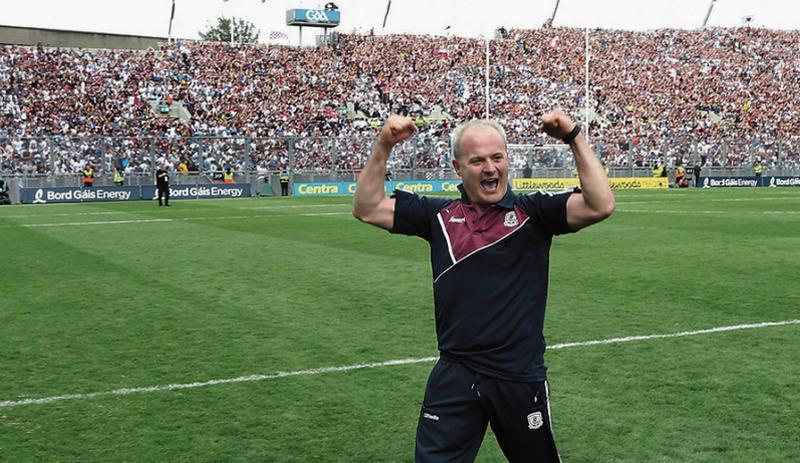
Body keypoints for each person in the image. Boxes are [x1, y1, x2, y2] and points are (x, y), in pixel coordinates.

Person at [353, 110, 615, 462]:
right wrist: (384, 144)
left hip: (518, 376)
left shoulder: (533, 212)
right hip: (454, 375)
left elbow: (601, 204)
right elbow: (367, 208)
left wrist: (574, 138)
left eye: (497, 157)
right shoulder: (438, 217)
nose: (490, 168)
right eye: (477, 161)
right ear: (458, 168)